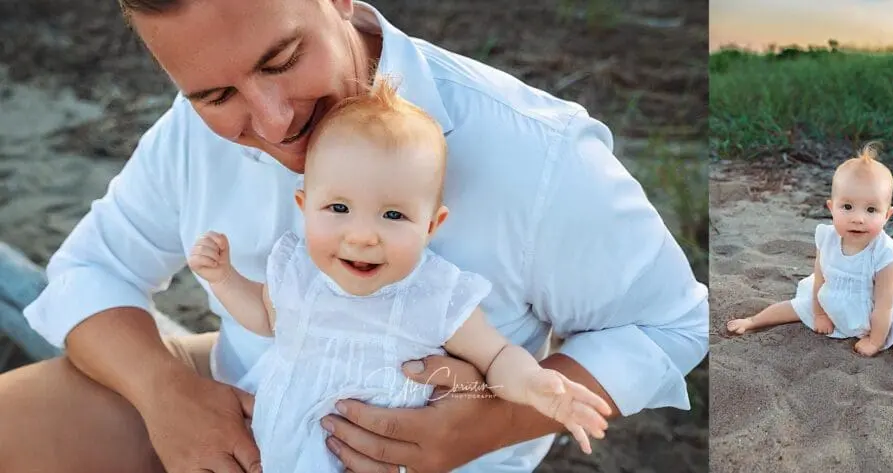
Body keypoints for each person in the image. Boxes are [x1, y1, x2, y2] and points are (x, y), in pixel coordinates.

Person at [0, 1, 709, 472]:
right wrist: (162, 393)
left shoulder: (536, 155)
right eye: (217, 96)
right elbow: (89, 269)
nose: (272, 121)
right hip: (237, 404)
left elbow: (669, 321)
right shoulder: (192, 129)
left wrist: (489, 424)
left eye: (281, 61)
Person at [187, 76, 613, 472]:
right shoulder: (298, 273)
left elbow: (497, 356)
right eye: (338, 208)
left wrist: (535, 386)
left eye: (393, 214)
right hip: (280, 450)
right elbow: (267, 320)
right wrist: (225, 278)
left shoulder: (433, 294)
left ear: (431, 226)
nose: (362, 236)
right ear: (304, 207)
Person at [725, 143, 893, 399]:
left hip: (880, 310)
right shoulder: (827, 237)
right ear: (831, 207)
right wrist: (821, 313)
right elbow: (820, 276)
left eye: (871, 210)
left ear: (887, 215)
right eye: (847, 207)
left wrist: (875, 341)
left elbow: (885, 305)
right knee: (796, 306)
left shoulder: (885, 253)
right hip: (836, 296)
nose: (858, 218)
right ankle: (754, 321)